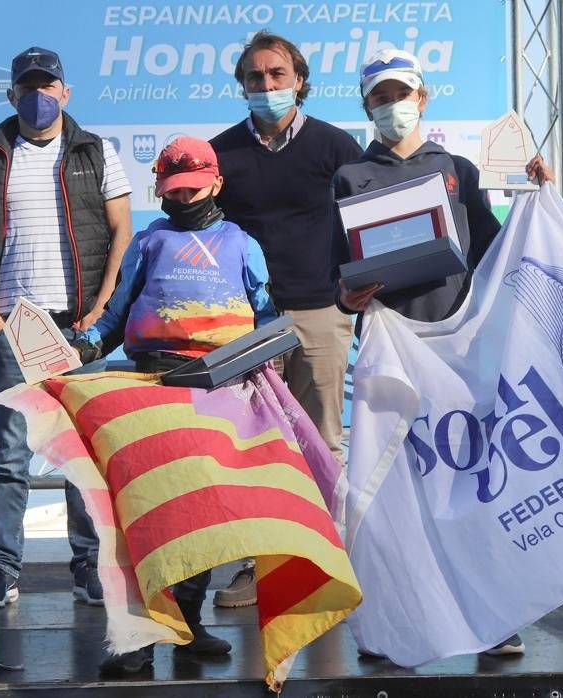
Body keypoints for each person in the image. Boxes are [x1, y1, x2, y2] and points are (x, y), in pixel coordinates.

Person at [334, 48, 554, 658]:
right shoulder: (351, 178)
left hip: (457, 351)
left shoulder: (457, 168)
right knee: (386, 497)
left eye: (400, 93)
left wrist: (538, 197)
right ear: (366, 106)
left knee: (476, 485)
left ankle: (494, 619)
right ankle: (390, 624)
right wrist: (348, 296)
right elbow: (339, 274)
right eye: (379, 96)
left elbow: (496, 249)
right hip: (390, 355)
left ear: (422, 98)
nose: (391, 105)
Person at [68, 136, 275, 675]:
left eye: (193, 190)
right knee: (148, 515)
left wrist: (268, 357)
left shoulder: (242, 244)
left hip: (217, 390)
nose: (183, 200)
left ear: (216, 183)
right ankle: (138, 639)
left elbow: (268, 316)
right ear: (159, 191)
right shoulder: (148, 241)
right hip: (150, 385)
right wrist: (87, 346)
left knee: (202, 515)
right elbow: (114, 314)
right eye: (173, 192)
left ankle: (187, 624)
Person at [0, 46, 132, 609]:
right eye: (28, 87)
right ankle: (3, 567)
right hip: (12, 324)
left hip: (79, 328)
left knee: (81, 454)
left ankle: (88, 566)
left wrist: (102, 311)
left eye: (48, 85)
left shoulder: (97, 152)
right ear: (13, 95)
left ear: (66, 92)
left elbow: (122, 236)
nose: (39, 96)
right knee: (10, 454)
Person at [209, 30, 362, 609]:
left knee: (323, 438)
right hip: (246, 325)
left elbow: (363, 223)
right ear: (242, 86)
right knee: (254, 445)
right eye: (255, 77)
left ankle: (322, 561)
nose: (266, 85)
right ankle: (257, 563)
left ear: (299, 79)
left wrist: (354, 294)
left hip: (322, 310)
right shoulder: (221, 152)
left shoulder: (336, 146)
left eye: (276, 75)